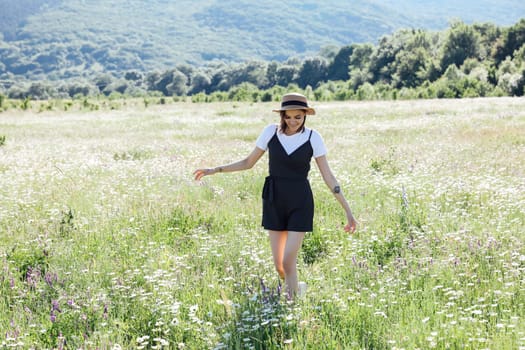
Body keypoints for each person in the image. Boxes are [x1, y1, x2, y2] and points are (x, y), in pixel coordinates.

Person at [194, 92, 357, 298]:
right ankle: (297, 289)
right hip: (274, 199)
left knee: (289, 261)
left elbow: (329, 177)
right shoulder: (270, 132)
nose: (292, 121)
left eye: (298, 117)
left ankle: (292, 305)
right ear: (282, 115)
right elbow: (248, 162)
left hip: (300, 202)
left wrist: (348, 211)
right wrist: (215, 170)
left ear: (305, 115)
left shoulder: (313, 137)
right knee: (280, 265)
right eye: (288, 117)